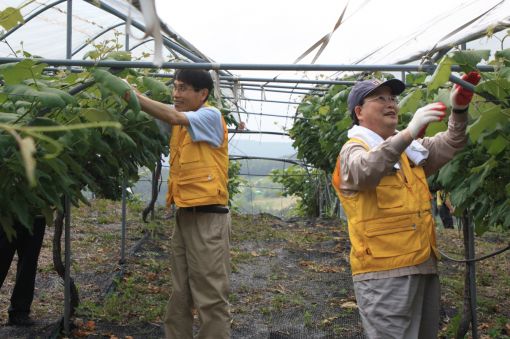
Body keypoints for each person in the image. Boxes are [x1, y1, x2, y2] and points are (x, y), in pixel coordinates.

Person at [332, 72, 480, 338]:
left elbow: (452, 142)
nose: (391, 103)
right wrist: (409, 133)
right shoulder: (353, 150)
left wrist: (459, 108)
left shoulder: (410, 151)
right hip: (383, 274)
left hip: (422, 263)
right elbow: (365, 171)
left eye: (393, 98)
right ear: (359, 112)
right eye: (380, 98)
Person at [124, 69, 231, 339]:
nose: (176, 94)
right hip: (185, 215)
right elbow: (162, 113)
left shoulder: (210, 116)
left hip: (209, 219)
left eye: (183, 88)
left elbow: (171, 114)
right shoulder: (182, 125)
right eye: (175, 87)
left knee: (210, 295)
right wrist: (137, 97)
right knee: (180, 292)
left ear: (202, 94)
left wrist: (132, 95)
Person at [0, 216, 47, 326]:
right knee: (2, 255)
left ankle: (19, 312)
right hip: (9, 211)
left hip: (37, 212)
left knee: (29, 262)